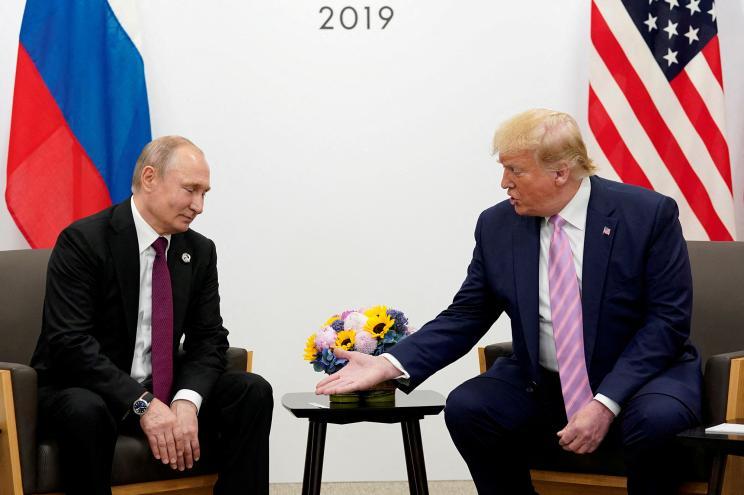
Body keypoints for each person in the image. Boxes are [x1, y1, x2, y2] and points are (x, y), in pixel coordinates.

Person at [316, 109, 701, 495]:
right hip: (545, 381)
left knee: (658, 420)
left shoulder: (647, 215)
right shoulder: (498, 225)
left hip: (641, 379)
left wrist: (605, 402)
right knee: (469, 407)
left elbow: (666, 323)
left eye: (515, 171)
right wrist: (388, 363)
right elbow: (467, 313)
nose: (504, 183)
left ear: (561, 172)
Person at [32, 136, 273, 495]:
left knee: (251, 392)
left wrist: (186, 401)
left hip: (163, 390)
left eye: (205, 193)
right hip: (88, 389)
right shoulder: (84, 241)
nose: (199, 205)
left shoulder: (199, 251)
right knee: (85, 409)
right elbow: (70, 343)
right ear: (149, 178)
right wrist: (142, 404)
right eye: (190, 190)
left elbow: (209, 338)